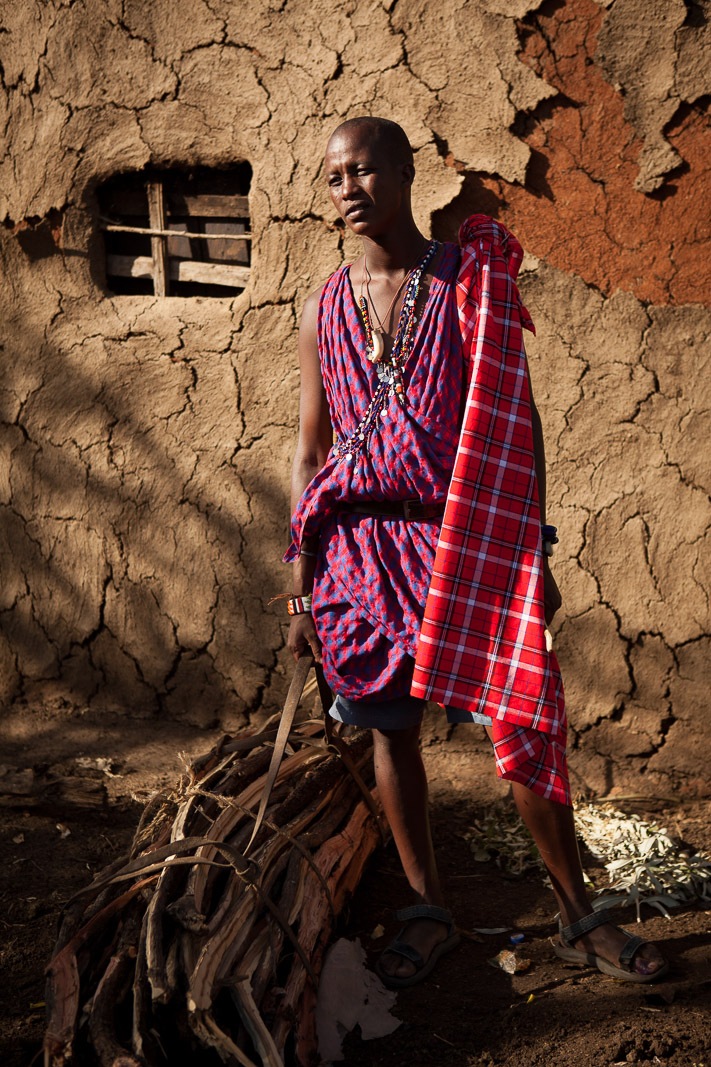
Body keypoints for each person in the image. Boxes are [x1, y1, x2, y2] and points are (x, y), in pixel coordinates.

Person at [285, 116, 666, 987]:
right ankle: (428, 906)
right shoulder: (324, 306)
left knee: (521, 712)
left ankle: (578, 913)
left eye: (365, 170)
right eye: (333, 175)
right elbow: (309, 451)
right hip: (356, 547)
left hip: (463, 535)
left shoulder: (467, 283)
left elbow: (511, 423)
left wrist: (534, 549)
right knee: (388, 729)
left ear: (407, 175)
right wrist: (304, 580)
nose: (347, 187)